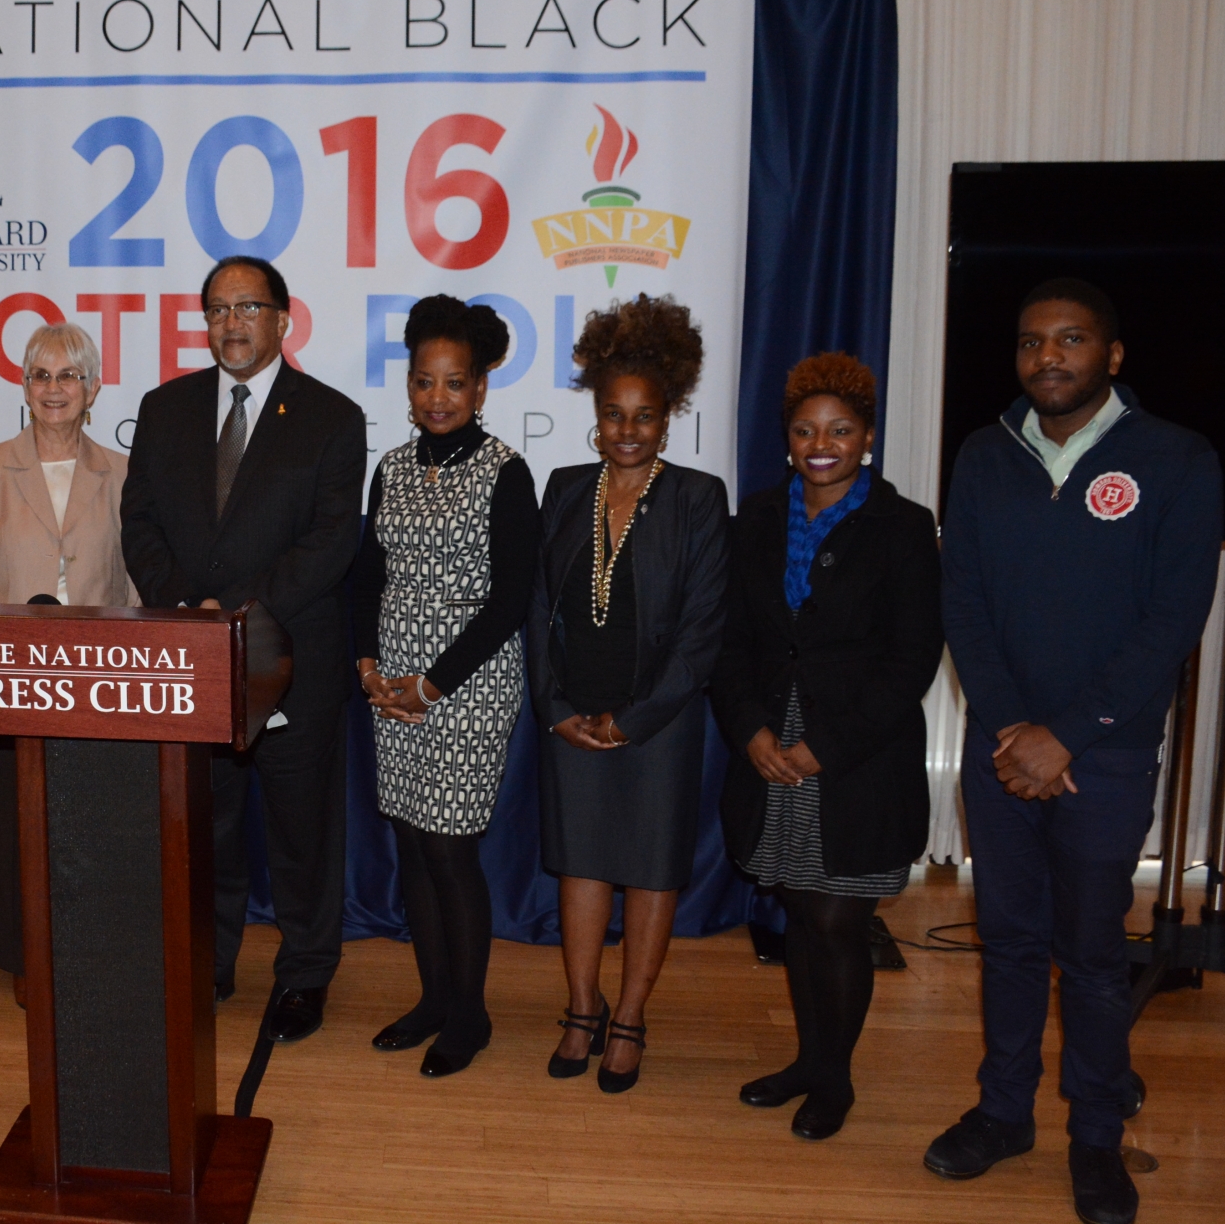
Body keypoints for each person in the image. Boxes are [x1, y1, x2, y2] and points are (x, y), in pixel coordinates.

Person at [928, 279, 1220, 1224]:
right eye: (1030, 342)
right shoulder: (982, 455)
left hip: (1107, 752)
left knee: (1092, 954)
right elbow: (963, 602)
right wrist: (1013, 727)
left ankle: (1096, 1134)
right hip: (1002, 748)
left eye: (1071, 339)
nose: (1047, 357)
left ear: (1113, 355)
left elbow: (1174, 616)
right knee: (1008, 942)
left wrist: (1071, 734)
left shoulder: (1177, 459)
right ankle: (1004, 1111)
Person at [122, 255, 367, 1041]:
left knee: (302, 832)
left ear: (283, 317)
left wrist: (233, 612)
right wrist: (185, 610)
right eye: (219, 308)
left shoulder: (332, 417)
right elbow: (140, 523)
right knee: (208, 828)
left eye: (249, 307)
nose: (233, 322)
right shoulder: (165, 409)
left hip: (293, 662)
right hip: (192, 663)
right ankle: (210, 962)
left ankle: (303, 973)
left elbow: (332, 541)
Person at [712, 353, 944, 1139]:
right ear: (787, 441)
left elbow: (912, 658)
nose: (822, 443)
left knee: (839, 922)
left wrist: (823, 746)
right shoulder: (757, 519)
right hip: (770, 749)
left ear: (867, 438)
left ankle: (835, 1079)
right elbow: (731, 641)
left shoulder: (905, 528)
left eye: (840, 430)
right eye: (806, 430)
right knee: (801, 915)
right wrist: (750, 729)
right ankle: (809, 1061)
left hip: (855, 764)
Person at [528, 294, 727, 1093]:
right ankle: (582, 1006)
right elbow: (538, 607)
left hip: (661, 724)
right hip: (572, 716)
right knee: (581, 866)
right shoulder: (565, 487)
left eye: (645, 415)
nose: (628, 430)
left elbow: (705, 629)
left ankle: (632, 1015)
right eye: (615, 414)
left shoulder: (697, 499)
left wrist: (640, 718)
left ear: (669, 415)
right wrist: (555, 707)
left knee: (648, 870)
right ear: (597, 415)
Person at [352, 297, 538, 1078]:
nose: (437, 397)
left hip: (467, 683)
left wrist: (431, 686)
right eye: (424, 381)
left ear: (482, 388)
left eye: (454, 383)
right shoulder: (391, 466)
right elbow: (369, 573)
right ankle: (433, 998)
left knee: (449, 850)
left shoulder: (506, 470)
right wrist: (367, 664)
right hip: (390, 681)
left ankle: (470, 1013)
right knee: (409, 845)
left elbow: (510, 601)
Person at [0, 322, 132, 1003]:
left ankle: (92, 948)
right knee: (21, 821)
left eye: (69, 375)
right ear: (23, 386)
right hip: (13, 681)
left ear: (94, 388)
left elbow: (135, 586)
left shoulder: (121, 470)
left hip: (102, 682)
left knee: (94, 821)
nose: (54, 389)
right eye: (41, 375)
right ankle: (29, 957)